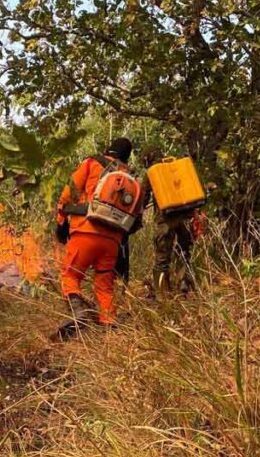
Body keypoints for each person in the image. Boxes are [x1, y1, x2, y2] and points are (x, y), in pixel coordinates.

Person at [56, 138, 136, 328]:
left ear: (109, 149)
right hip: (112, 240)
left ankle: (79, 312)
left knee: (70, 275)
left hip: (86, 231)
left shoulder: (92, 163)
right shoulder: (130, 178)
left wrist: (61, 220)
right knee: (104, 284)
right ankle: (109, 323)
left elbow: (69, 193)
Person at [139, 147, 195, 295]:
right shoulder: (175, 167)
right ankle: (184, 282)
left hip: (166, 219)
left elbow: (143, 198)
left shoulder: (152, 172)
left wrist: (137, 214)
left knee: (162, 257)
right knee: (184, 252)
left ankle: (163, 293)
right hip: (185, 216)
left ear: (147, 160)